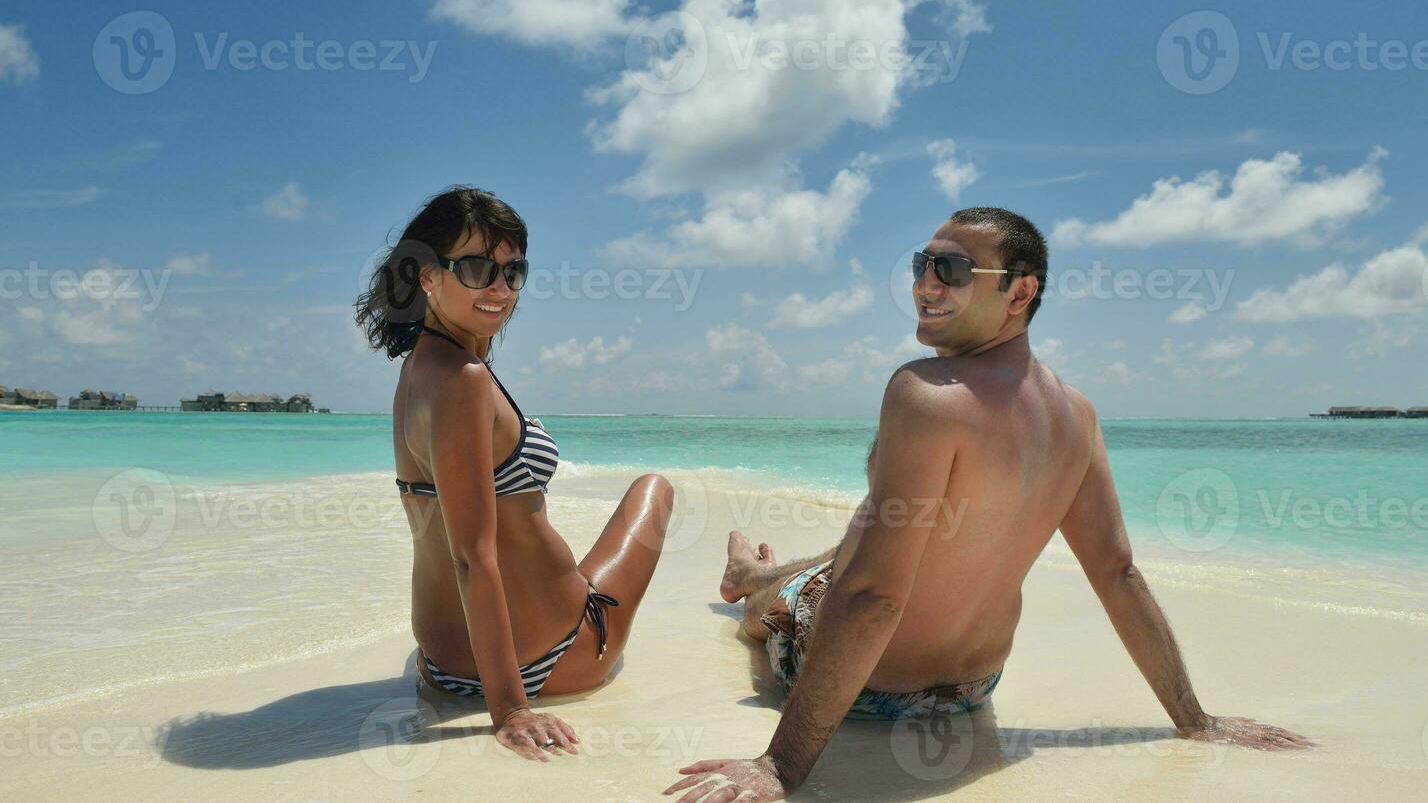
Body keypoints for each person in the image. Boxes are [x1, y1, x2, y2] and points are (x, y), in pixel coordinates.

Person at [666, 206, 1311, 801]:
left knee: (764, 612)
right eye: (921, 264)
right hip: (972, 692)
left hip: (870, 690)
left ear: (1020, 293)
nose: (925, 285)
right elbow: (1118, 573)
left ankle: (752, 581)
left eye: (951, 270)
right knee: (889, 531)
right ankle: (756, 568)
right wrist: (1196, 720)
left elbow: (875, 599)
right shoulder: (1077, 416)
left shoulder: (924, 393)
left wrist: (779, 768)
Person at [355, 186, 674, 762]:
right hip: (549, 661)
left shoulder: (418, 370)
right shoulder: (465, 381)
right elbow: (473, 556)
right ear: (428, 276)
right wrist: (509, 710)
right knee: (655, 489)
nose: (499, 288)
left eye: (513, 271)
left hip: (441, 666)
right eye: (477, 268)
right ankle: (751, 577)